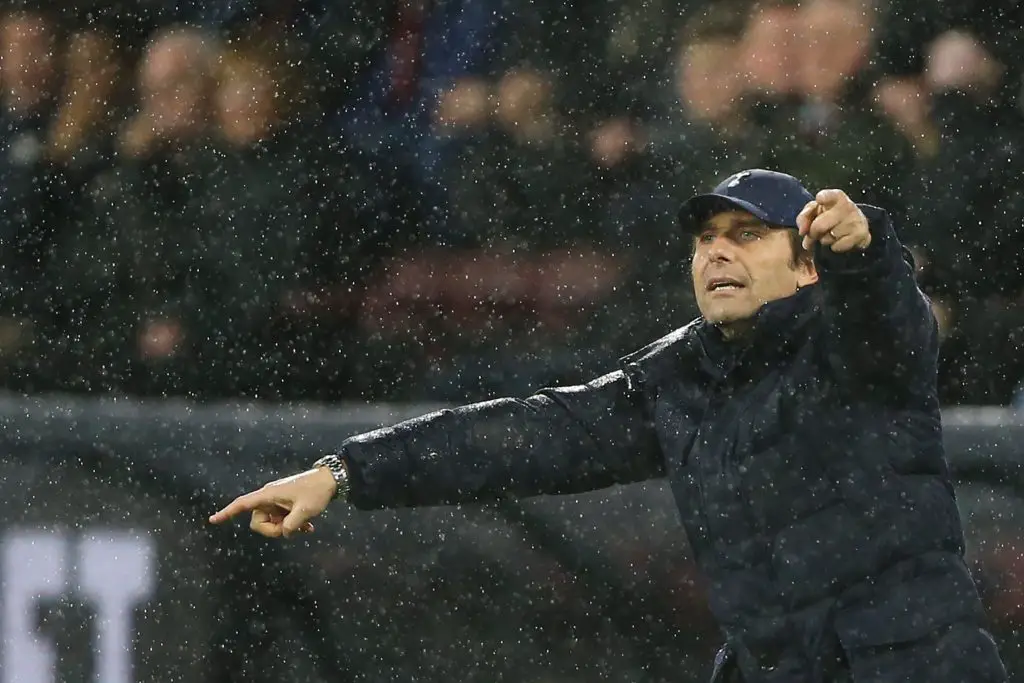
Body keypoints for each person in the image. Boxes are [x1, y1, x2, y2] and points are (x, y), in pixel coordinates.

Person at [209, 169, 1008, 683]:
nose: (717, 254)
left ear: (805, 264)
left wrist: (865, 248)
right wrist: (343, 472)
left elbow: (893, 321)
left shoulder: (855, 346)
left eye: (747, 235)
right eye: (706, 240)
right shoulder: (679, 378)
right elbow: (525, 436)